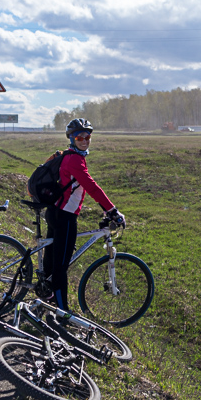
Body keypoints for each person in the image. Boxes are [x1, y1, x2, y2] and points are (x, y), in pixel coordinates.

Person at [44, 118, 125, 312]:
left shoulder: (70, 157)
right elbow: (92, 187)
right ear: (71, 138)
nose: (85, 140)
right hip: (65, 216)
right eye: (79, 137)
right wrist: (112, 211)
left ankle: (45, 294)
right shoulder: (74, 160)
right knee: (60, 266)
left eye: (88, 137)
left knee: (52, 258)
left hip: (55, 211)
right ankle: (62, 311)